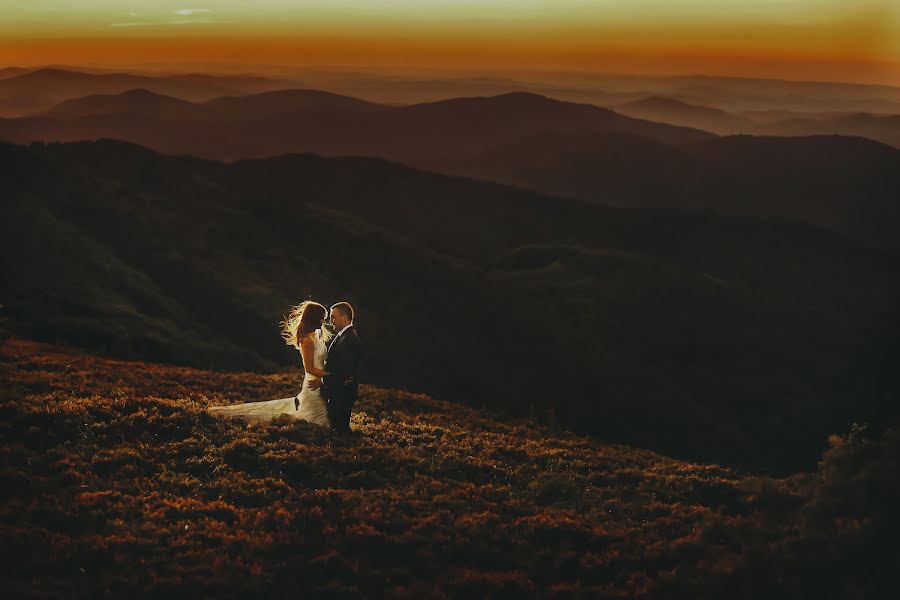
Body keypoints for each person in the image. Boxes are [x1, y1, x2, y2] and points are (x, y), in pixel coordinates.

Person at [208, 301, 332, 427]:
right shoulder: (307, 341)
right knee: (317, 421)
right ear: (314, 318)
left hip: (321, 381)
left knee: (321, 419)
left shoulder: (316, 336)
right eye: (322, 318)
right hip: (314, 383)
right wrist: (330, 376)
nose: (324, 321)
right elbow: (309, 368)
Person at [308, 302, 360, 433]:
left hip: (342, 394)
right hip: (337, 392)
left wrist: (322, 381)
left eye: (333, 317)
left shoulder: (349, 338)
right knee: (336, 429)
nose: (331, 321)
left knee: (340, 431)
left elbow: (343, 372)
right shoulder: (344, 335)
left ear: (344, 317)